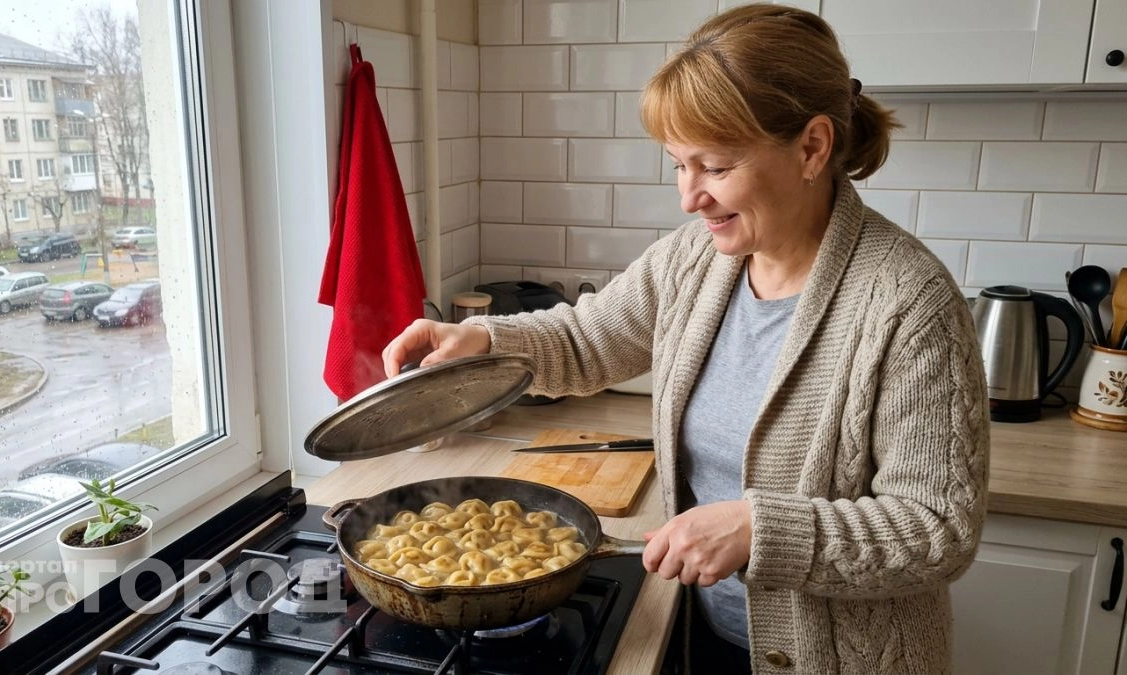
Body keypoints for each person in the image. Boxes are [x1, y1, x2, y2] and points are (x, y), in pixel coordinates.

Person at [382, 4, 989, 673]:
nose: (689, 196)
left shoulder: (908, 302)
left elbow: (937, 528)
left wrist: (761, 527)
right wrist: (482, 340)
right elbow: (587, 339)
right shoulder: (695, 260)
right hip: (699, 637)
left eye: (716, 166)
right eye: (677, 164)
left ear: (813, 147)